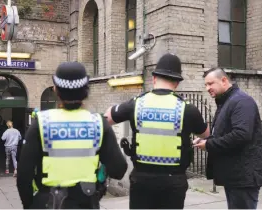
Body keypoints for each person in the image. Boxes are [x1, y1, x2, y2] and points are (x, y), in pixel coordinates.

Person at [104, 53, 210, 209]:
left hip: (142, 180)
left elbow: (106, 118)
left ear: (154, 79)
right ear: (176, 83)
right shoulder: (187, 109)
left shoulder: (136, 104)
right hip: (174, 182)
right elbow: (206, 134)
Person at [16, 62, 128, 209]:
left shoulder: (42, 123)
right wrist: (100, 176)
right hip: (85, 202)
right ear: (86, 91)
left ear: (56, 89)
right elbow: (119, 169)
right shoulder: (98, 124)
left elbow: (24, 177)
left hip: (47, 203)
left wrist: (30, 205)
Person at [194, 67, 262, 209]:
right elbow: (225, 133)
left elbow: (241, 135)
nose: (207, 88)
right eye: (206, 85)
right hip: (235, 175)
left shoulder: (242, 102)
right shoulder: (227, 102)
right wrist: (207, 140)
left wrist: (209, 145)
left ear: (224, 80)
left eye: (210, 83)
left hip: (243, 177)